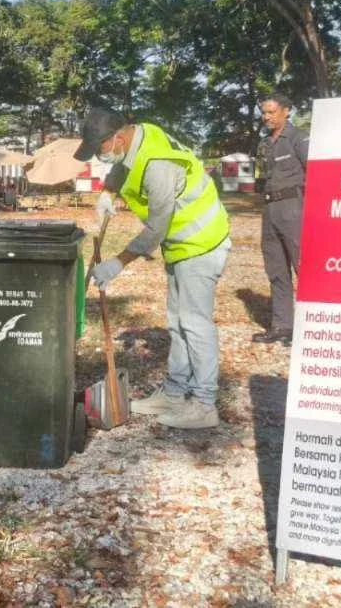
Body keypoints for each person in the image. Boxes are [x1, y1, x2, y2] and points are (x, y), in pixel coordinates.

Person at [75, 107, 232, 429]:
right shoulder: (138, 136)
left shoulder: (159, 166)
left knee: (195, 324)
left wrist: (119, 262)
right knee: (177, 322)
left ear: (117, 137)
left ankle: (204, 404)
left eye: (100, 149)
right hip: (182, 246)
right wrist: (108, 192)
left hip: (202, 243)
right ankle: (174, 394)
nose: (100, 157)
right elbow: (124, 165)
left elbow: (157, 227)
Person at [252, 93, 309, 346]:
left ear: (287, 111)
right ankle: (282, 326)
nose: (267, 117)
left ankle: (312, 329)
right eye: (264, 113)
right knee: (276, 269)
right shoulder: (265, 143)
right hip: (270, 207)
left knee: (303, 268)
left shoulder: (299, 138)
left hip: (294, 207)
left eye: (272, 112)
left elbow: (315, 173)